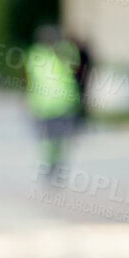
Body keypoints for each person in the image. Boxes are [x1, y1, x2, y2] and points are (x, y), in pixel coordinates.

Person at [24, 24, 81, 184]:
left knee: (54, 138)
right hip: (54, 104)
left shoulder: (54, 52)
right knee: (53, 138)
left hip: (53, 104)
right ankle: (53, 164)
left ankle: (54, 164)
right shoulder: (42, 54)